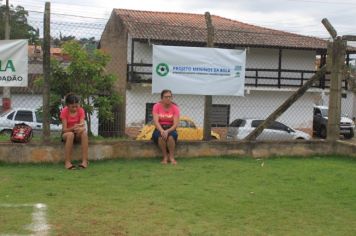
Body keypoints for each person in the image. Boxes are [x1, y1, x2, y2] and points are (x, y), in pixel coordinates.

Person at [60, 93, 89, 170]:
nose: (75, 108)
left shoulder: (81, 110)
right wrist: (73, 128)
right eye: (72, 107)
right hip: (67, 134)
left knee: (84, 133)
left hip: (77, 133)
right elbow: (64, 130)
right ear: (67, 105)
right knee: (70, 135)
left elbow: (82, 124)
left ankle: (85, 161)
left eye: (77, 106)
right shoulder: (64, 111)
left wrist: (80, 127)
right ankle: (67, 162)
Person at [152, 89, 180, 165]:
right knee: (161, 137)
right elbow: (156, 122)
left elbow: (175, 124)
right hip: (159, 128)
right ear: (162, 98)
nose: (168, 98)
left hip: (171, 128)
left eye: (170, 97)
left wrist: (167, 131)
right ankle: (165, 157)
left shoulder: (175, 108)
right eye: (166, 97)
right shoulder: (156, 106)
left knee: (171, 137)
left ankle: (171, 157)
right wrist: (162, 130)